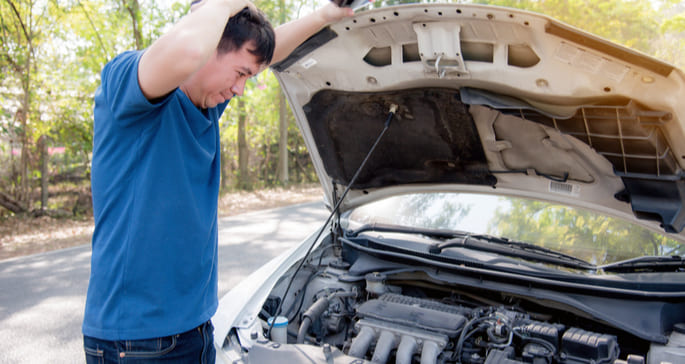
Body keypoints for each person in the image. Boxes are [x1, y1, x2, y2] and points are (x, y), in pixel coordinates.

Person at [82, 0, 352, 362]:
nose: (240, 89)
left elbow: (266, 53)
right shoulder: (128, 86)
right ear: (209, 48)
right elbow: (189, 48)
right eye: (239, 74)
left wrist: (325, 14)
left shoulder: (205, 104)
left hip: (196, 330)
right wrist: (222, 4)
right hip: (136, 341)